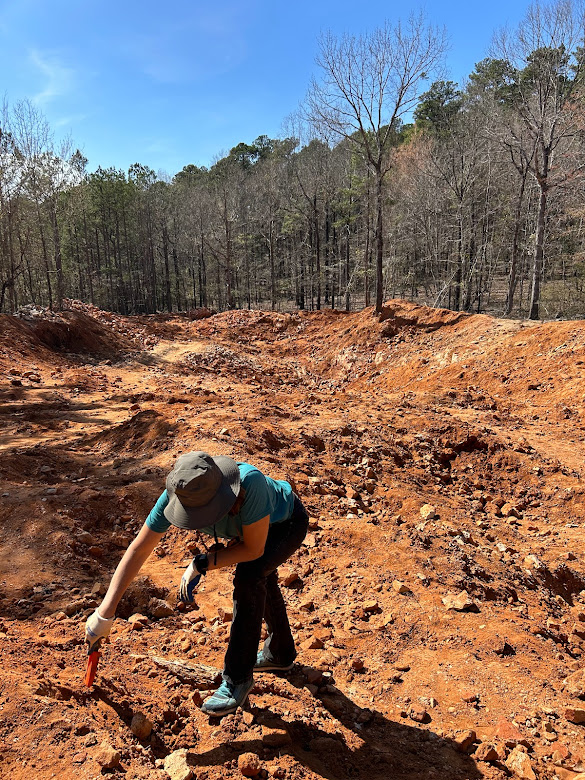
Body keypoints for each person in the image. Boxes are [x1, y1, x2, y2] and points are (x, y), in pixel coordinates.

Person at [85, 451, 309, 716]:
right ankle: (280, 654)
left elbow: (253, 549)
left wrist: (202, 563)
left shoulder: (252, 485)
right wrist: (104, 613)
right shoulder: (181, 492)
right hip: (252, 531)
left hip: (286, 524)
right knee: (262, 577)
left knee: (250, 577)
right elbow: (139, 549)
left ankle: (238, 679)